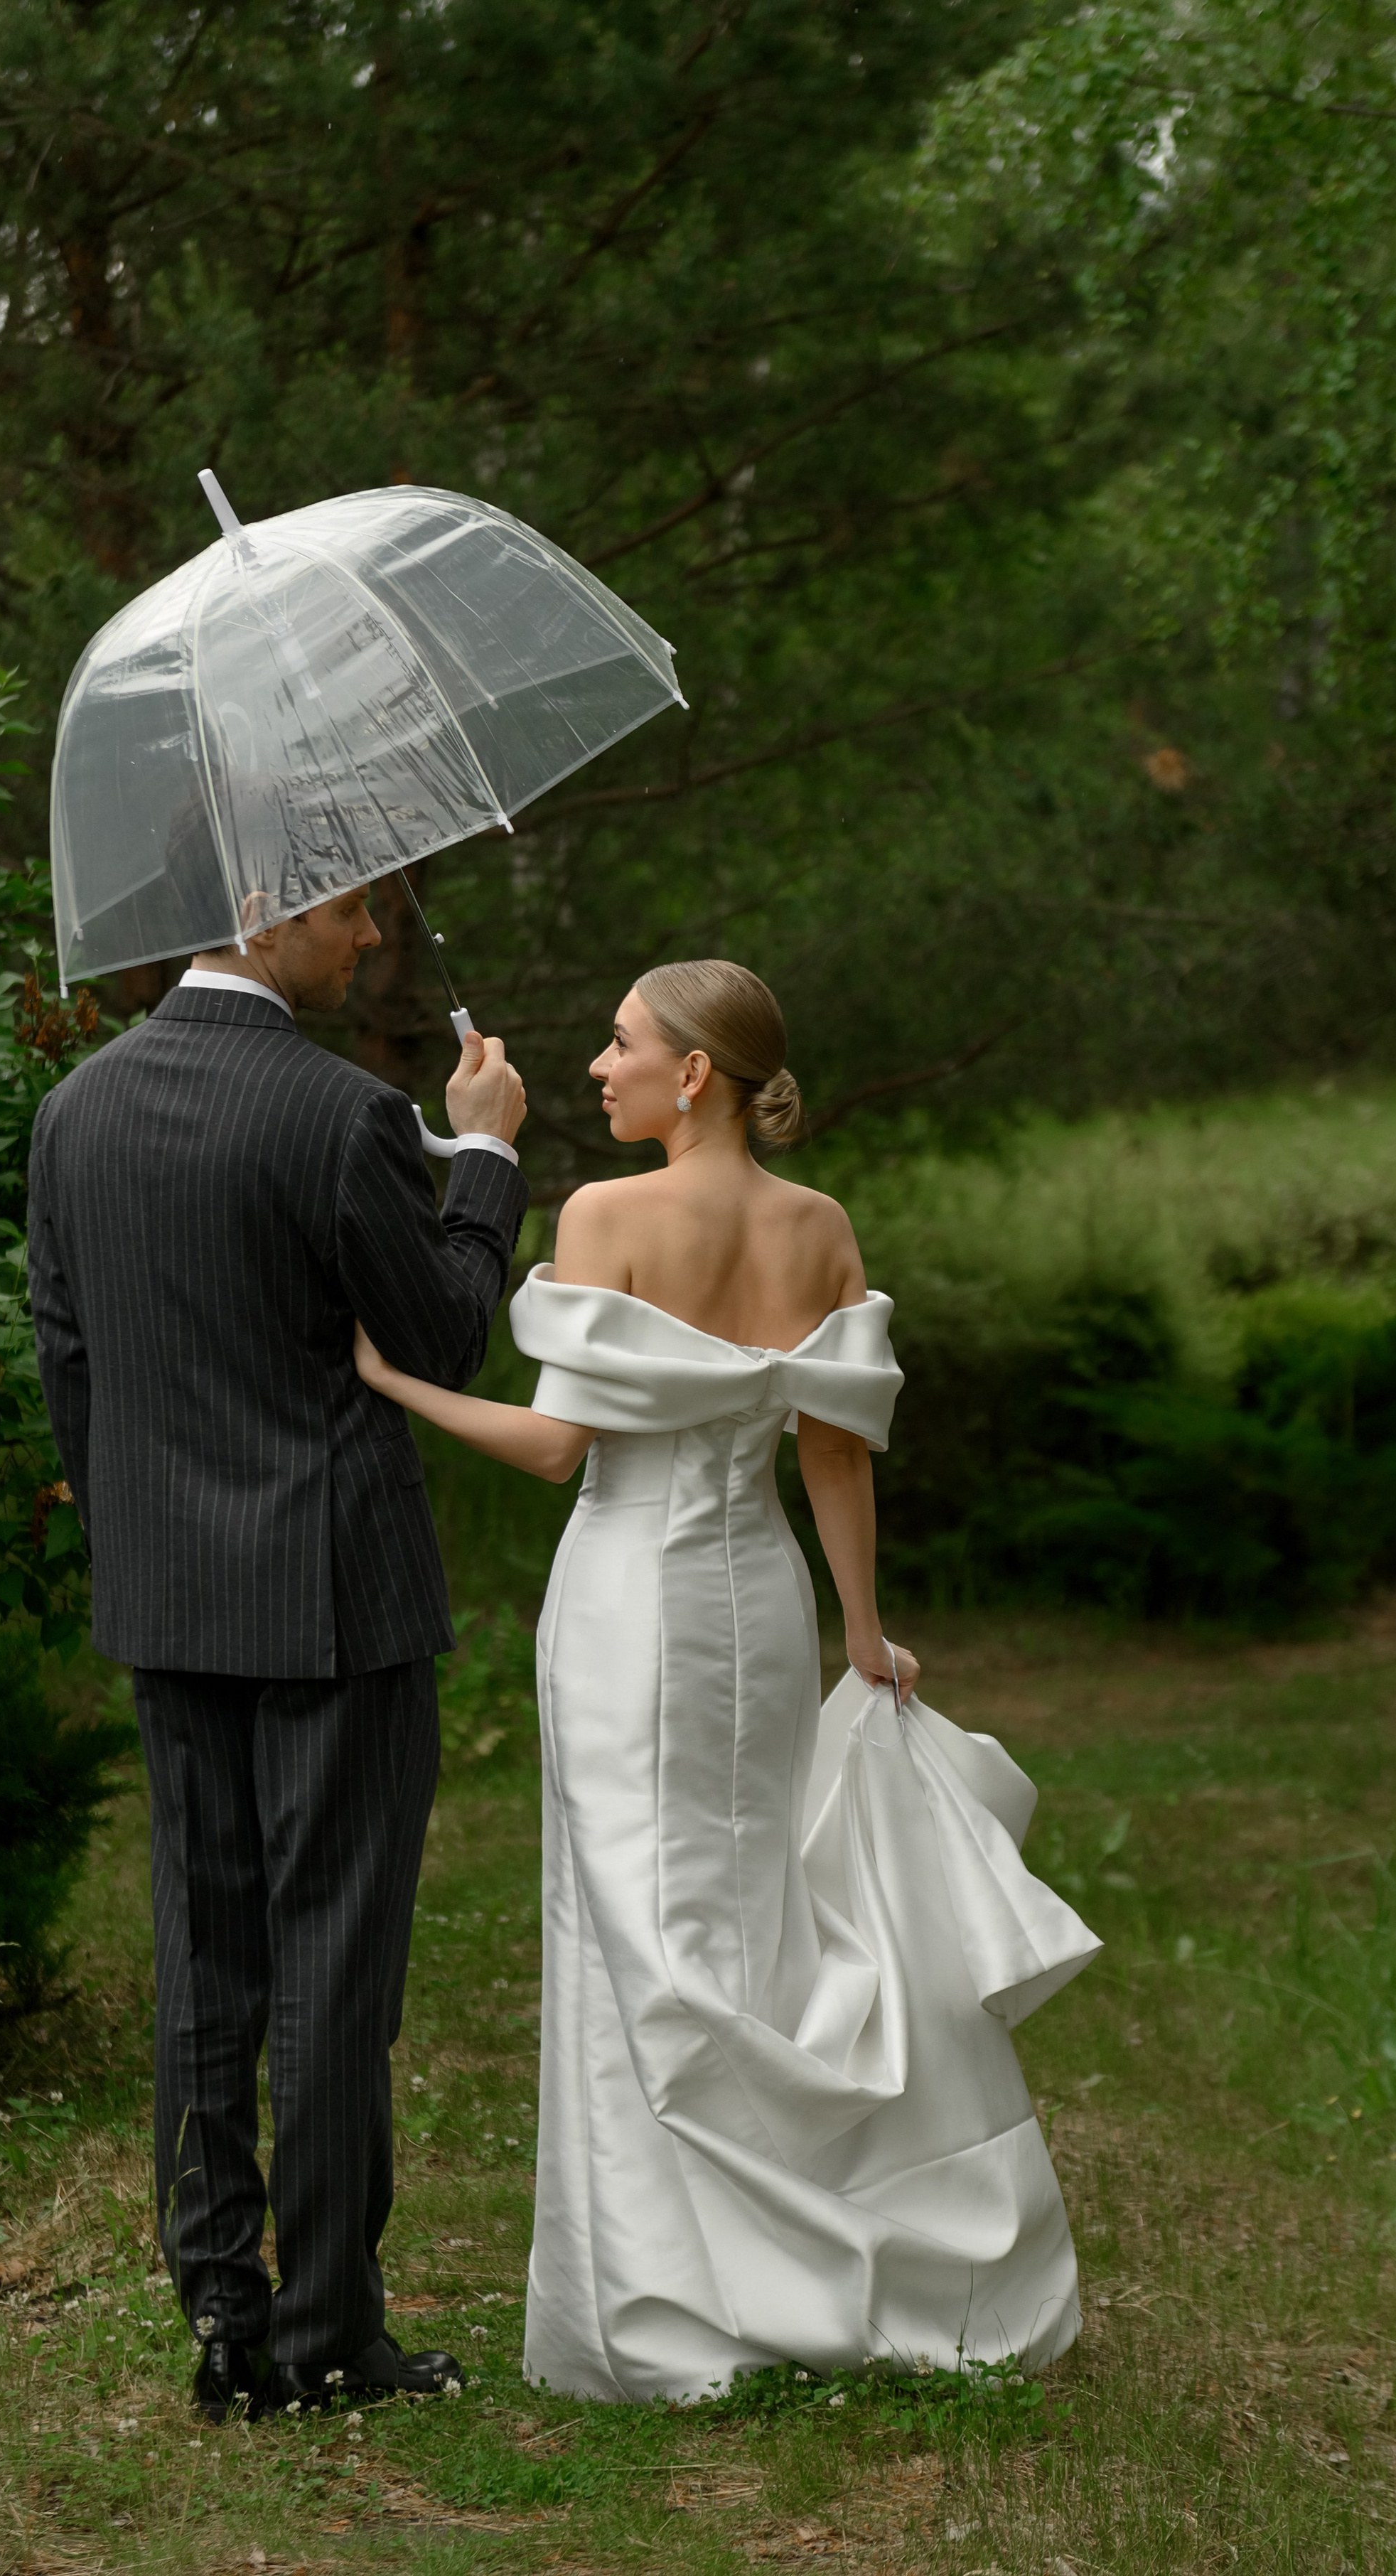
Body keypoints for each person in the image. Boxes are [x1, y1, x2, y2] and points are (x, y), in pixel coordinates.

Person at [355, 958, 1100, 2403]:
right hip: (761, 1594)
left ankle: (673, 2304)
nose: (598, 1067)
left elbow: (557, 1450)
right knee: (755, 1910)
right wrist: (861, 1632)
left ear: (694, 1071)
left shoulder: (604, 1214)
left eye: (620, 1042)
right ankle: (803, 2251)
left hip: (630, 1600)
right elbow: (835, 1451)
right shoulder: (818, 1226)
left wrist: (396, 1384)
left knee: (635, 1919)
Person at [27, 884, 529, 2422]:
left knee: (204, 1950)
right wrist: (486, 1160)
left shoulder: (73, 1111)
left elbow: (67, 1354)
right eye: (348, 913)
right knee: (331, 1960)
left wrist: (139, 1547)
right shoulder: (342, 1114)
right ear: (262, 907)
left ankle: (221, 2317)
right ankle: (323, 2331)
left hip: (168, 1597)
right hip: (334, 1600)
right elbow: (443, 1335)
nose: (369, 941)